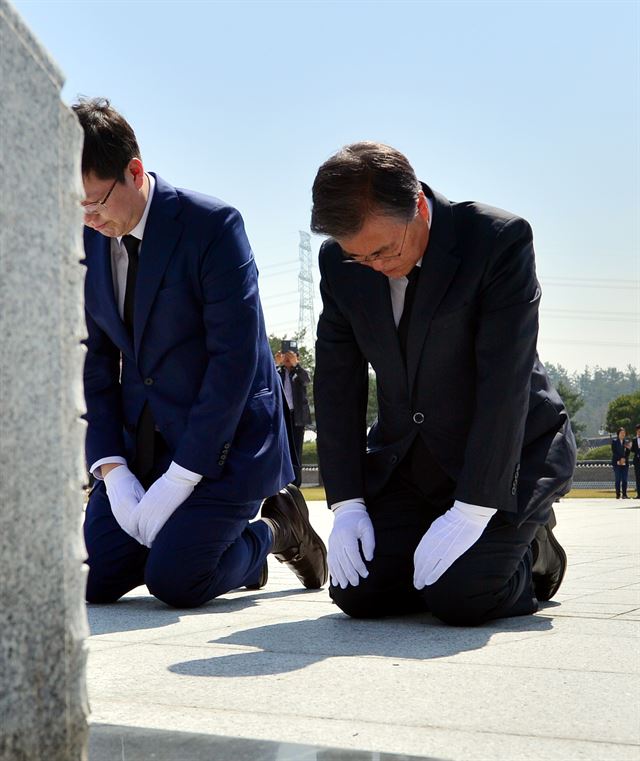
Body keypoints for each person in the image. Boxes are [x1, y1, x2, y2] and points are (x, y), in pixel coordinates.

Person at [311, 142, 577, 626]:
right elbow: (335, 385)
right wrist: (346, 502)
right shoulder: (339, 263)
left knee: (461, 598)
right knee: (360, 594)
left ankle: (536, 551)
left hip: (504, 454)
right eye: (359, 258)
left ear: (416, 205)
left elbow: (505, 383)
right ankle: (438, 563)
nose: (375, 265)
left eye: (384, 250)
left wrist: (475, 508)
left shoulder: (496, 240)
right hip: (411, 462)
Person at [74, 98, 327, 608]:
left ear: (134, 171)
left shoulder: (212, 226)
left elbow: (235, 362)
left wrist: (184, 474)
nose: (89, 218)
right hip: (142, 446)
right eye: (74, 205)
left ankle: (277, 529)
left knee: (176, 580)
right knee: (88, 580)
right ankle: (219, 555)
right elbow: (90, 361)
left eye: (96, 202)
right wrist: (112, 469)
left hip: (223, 446)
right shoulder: (85, 240)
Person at [275, 342, 312, 487]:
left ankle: (296, 484)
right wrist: (277, 364)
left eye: (291, 356)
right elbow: (270, 381)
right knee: (281, 450)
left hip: (297, 418)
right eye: (286, 356)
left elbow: (306, 380)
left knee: (296, 451)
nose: (287, 359)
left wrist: (296, 365)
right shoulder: (279, 372)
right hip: (282, 416)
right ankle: (281, 483)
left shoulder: (300, 372)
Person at [611, 428, 631, 499]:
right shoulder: (614, 441)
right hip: (617, 463)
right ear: (618, 434)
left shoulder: (627, 442)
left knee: (625, 479)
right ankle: (618, 494)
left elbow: (628, 452)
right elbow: (614, 451)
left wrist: (624, 458)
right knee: (618, 479)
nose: (623, 434)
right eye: (621, 433)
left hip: (625, 463)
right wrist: (620, 459)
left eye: (624, 433)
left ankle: (624, 494)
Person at [631, 424, 640, 499]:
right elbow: (633, 450)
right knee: (637, 478)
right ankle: (638, 494)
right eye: (638, 431)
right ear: (636, 431)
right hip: (637, 461)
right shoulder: (634, 440)